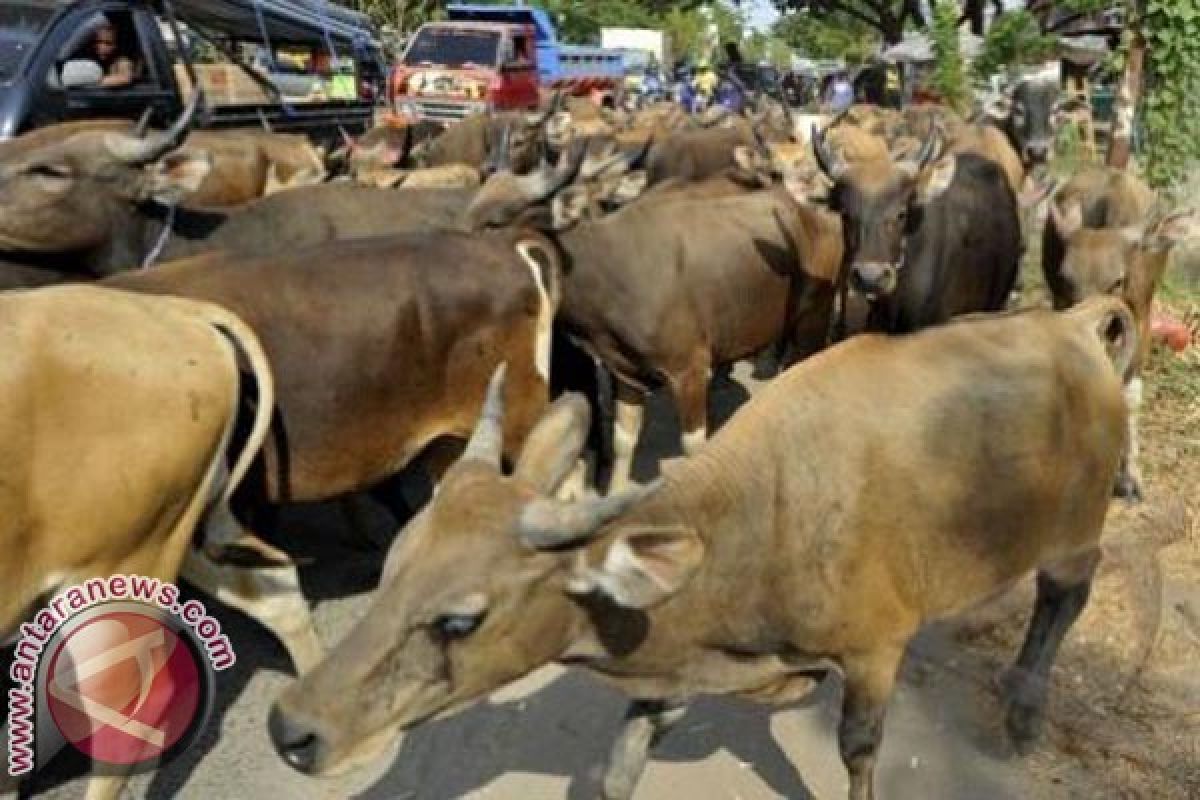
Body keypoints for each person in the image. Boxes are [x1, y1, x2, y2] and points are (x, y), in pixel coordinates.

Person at [90, 20, 135, 88]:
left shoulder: (122, 61)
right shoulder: (94, 60)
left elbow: (125, 78)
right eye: (98, 42)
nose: (102, 47)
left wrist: (94, 82)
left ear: (116, 46)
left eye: (108, 43)